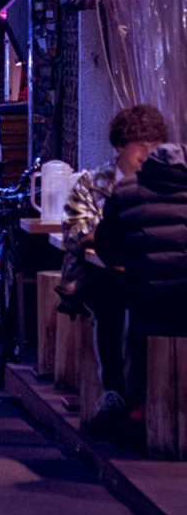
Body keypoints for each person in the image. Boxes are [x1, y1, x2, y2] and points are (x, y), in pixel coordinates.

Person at [58, 104, 168, 440]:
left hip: (152, 274)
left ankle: (148, 398)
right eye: (141, 148)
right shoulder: (94, 184)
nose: (148, 156)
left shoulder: (166, 182)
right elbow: (76, 231)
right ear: (120, 145)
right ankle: (116, 391)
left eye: (155, 148)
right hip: (101, 274)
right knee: (112, 301)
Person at [95, 143, 187, 414]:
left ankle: (120, 396)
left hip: (145, 300)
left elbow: (107, 249)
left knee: (107, 298)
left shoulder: (125, 191)